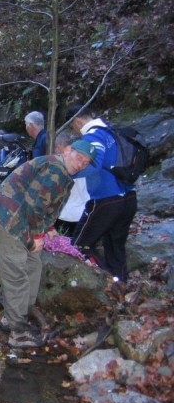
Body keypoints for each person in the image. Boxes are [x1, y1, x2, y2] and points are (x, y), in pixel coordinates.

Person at [0, 139, 96, 348]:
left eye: (86, 162)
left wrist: (48, 229)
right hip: (7, 219)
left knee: (34, 264)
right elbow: (35, 204)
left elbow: (45, 204)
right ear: (67, 150)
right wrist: (36, 235)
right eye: (79, 157)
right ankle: (17, 331)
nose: (81, 164)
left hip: (17, 220)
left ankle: (17, 315)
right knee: (16, 272)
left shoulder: (60, 171)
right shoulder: (55, 168)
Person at [66, 105, 138, 282]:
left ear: (77, 121)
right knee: (115, 247)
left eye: (71, 126)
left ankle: (106, 284)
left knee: (80, 245)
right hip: (128, 196)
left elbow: (94, 164)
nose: (73, 130)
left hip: (105, 199)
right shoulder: (112, 132)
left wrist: (66, 172)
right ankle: (121, 287)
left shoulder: (94, 136)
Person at [54, 130, 89, 237]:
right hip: (82, 214)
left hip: (63, 216)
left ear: (62, 147)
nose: (54, 150)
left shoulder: (59, 165)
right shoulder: (83, 162)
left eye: (56, 147)